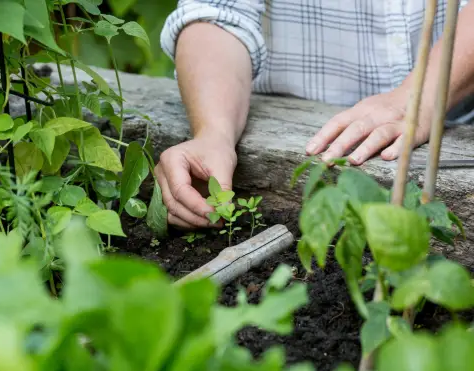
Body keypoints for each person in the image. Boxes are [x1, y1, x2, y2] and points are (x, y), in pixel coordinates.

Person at [154, 0, 474, 229]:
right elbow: (219, 14)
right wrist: (213, 132)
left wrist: (421, 96)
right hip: (286, 121)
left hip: (457, 124)